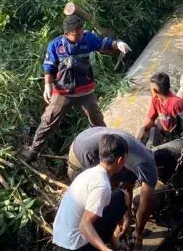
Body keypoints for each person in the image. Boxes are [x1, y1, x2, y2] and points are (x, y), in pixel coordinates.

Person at [25, 14, 132, 160]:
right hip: (63, 92)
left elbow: (104, 44)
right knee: (48, 121)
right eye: (76, 34)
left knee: (98, 123)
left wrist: (117, 44)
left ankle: (108, 154)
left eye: (81, 32)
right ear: (66, 34)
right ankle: (33, 152)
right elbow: (49, 67)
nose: (80, 36)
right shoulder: (55, 45)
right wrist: (47, 85)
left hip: (85, 92)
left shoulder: (88, 39)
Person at [68, 127, 161, 251]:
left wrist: (127, 218)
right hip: (83, 152)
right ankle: (103, 241)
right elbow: (145, 205)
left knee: (110, 189)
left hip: (83, 137)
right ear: (120, 160)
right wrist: (138, 234)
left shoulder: (134, 157)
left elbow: (128, 187)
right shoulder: (147, 168)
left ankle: (110, 230)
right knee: (101, 196)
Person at [53, 132, 130, 251]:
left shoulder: (90, 172)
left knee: (113, 198)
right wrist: (105, 250)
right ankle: (99, 248)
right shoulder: (102, 186)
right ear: (120, 160)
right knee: (122, 197)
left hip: (60, 237)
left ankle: (112, 239)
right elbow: (84, 225)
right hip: (74, 245)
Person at [138, 72, 183, 146]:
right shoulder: (155, 100)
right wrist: (142, 129)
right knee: (149, 129)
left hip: (177, 134)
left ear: (155, 91)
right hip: (165, 131)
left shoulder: (177, 104)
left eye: (151, 88)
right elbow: (151, 118)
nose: (150, 90)